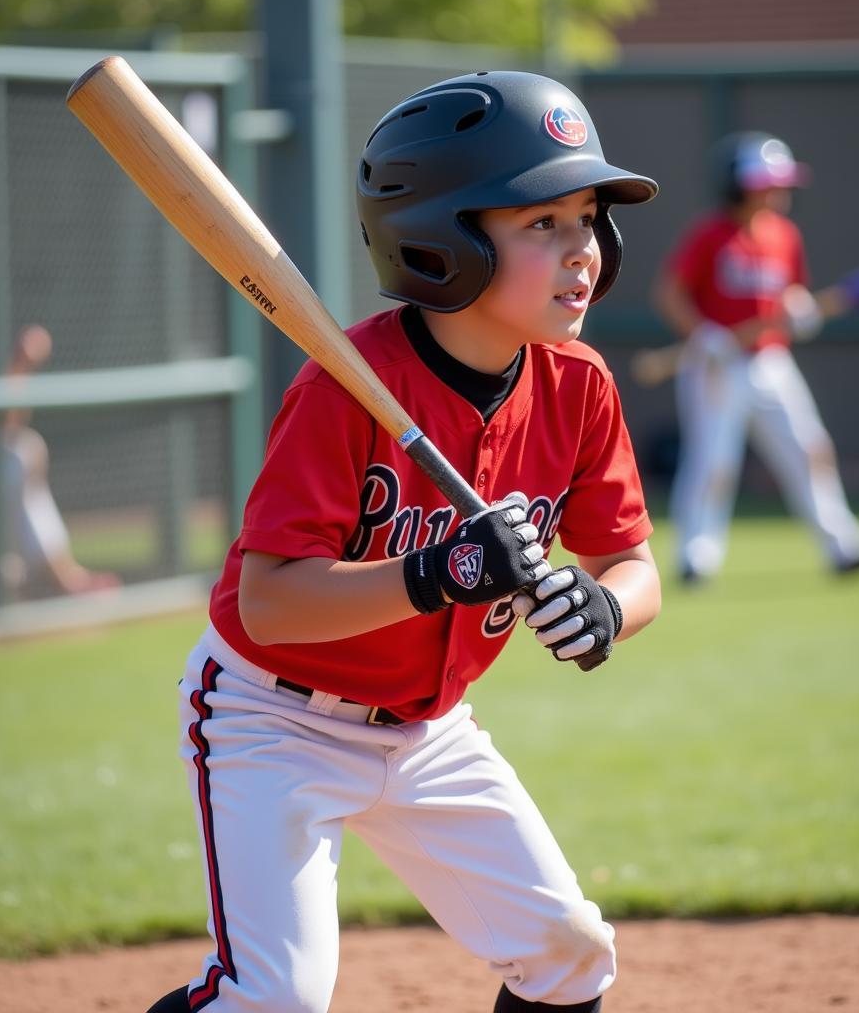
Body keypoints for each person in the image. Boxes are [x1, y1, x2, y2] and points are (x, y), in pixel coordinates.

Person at [145, 71, 661, 1013]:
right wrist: (439, 572)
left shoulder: (579, 385)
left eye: (588, 219)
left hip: (431, 731)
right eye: (541, 223)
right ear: (442, 241)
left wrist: (605, 606)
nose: (582, 251)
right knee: (275, 999)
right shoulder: (346, 386)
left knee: (571, 957)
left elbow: (634, 565)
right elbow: (271, 602)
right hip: (275, 721)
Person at [652, 132, 859, 586]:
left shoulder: (785, 234)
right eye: (767, 182)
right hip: (717, 365)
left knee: (811, 449)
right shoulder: (711, 234)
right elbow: (669, 294)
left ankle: (844, 548)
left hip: (771, 361)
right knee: (714, 463)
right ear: (738, 185)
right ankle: (696, 558)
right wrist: (704, 334)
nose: (778, 192)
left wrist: (799, 309)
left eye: (782, 183)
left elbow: (792, 292)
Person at [0, 218, 120, 598]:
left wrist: (20, 368)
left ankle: (24, 575)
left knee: (21, 450)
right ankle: (13, 578)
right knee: (12, 461)